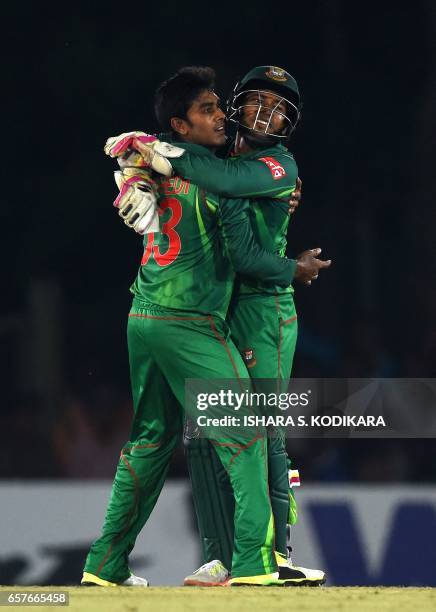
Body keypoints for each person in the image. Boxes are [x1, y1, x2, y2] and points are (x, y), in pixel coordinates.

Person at [83, 67, 324, 588]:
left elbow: (158, 155)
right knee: (246, 434)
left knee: (155, 440)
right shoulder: (216, 174)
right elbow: (239, 244)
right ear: (183, 124)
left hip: (152, 316)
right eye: (210, 109)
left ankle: (105, 564)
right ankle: (253, 564)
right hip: (194, 321)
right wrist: (134, 169)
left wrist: (133, 165)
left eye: (219, 107)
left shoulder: (202, 162)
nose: (225, 115)